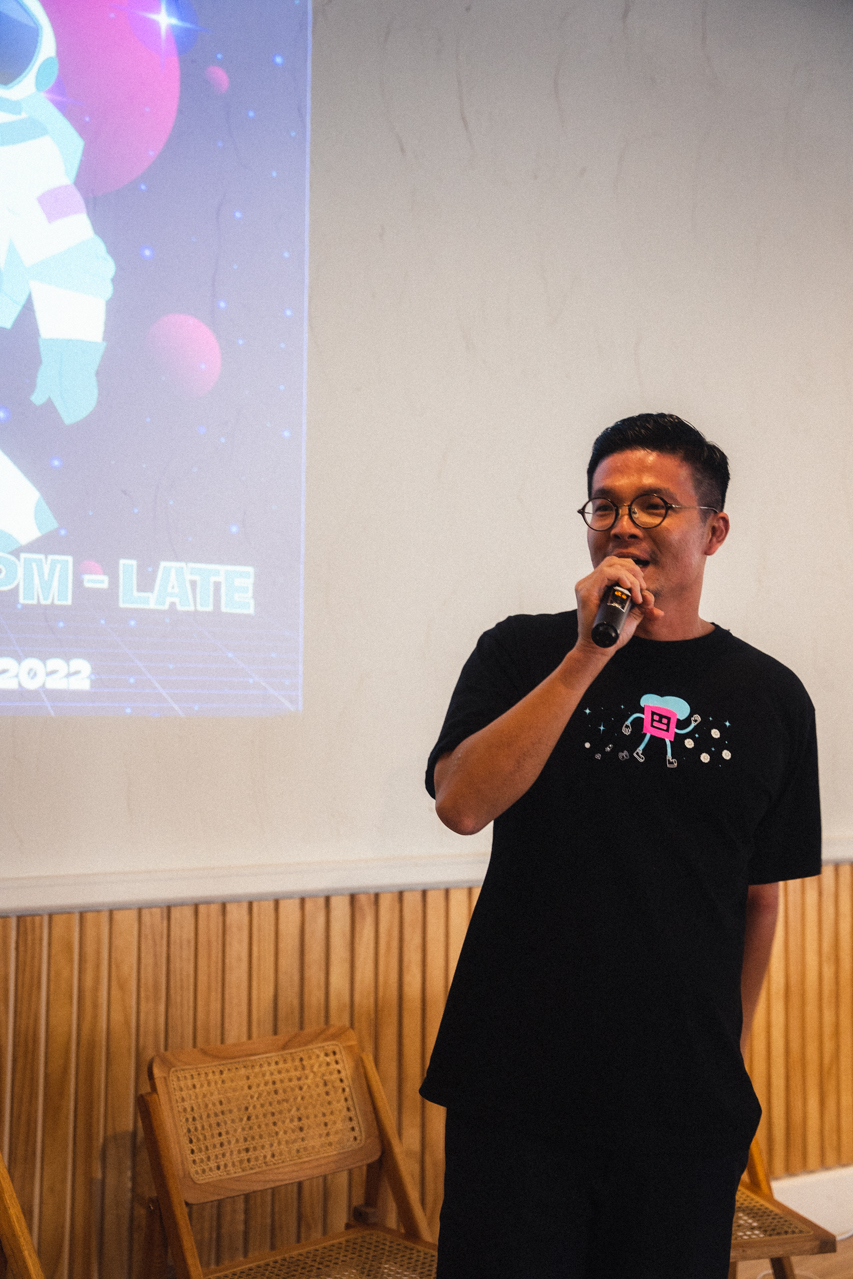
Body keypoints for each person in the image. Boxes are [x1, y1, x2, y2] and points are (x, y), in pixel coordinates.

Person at [422, 413, 821, 1279]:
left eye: (653, 505)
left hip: (683, 1109)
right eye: (603, 505)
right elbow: (461, 802)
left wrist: (724, 1052)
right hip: (517, 1091)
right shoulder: (520, 651)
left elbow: (758, 898)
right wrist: (587, 654)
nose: (623, 524)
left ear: (712, 530)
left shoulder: (771, 697)